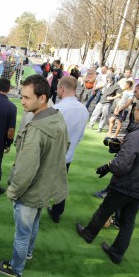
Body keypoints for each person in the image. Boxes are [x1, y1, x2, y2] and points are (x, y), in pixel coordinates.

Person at [75, 98, 139, 264]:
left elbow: (122, 165)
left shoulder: (138, 135)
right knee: (128, 221)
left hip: (127, 185)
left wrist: (108, 166)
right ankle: (117, 253)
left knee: (104, 210)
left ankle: (88, 234)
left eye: (135, 110)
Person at [0, 74, 69, 277]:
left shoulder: (36, 128)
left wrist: (12, 191)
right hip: (44, 188)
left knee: (22, 233)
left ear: (42, 98)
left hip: (30, 192)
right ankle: (27, 253)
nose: (22, 101)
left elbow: (25, 170)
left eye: (27, 97)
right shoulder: (57, 117)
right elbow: (66, 146)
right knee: (33, 224)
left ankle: (15, 269)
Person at [48, 76, 89, 223]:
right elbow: (80, 136)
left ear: (62, 88)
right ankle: (57, 211)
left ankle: (39, 208)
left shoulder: (57, 108)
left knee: (43, 182)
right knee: (60, 183)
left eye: (58, 87)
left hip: (51, 155)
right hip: (68, 155)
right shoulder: (84, 110)